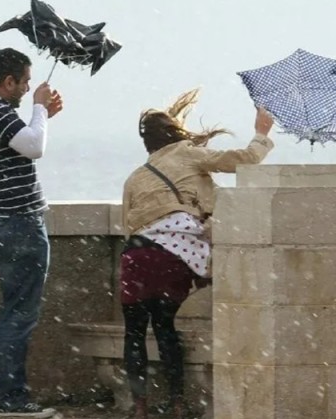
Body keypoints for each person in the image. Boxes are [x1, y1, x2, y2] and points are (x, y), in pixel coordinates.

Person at [120, 89, 275, 419]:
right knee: (164, 327)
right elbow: (243, 161)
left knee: (134, 332)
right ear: (175, 134)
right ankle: (176, 404)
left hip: (136, 256)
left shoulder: (136, 177)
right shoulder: (187, 154)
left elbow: (127, 226)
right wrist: (261, 134)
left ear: (148, 144)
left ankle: (140, 407)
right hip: (173, 256)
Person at [0, 47, 63, 417]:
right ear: (8, 82)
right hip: (18, 223)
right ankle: (10, 399)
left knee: (13, 309)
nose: (28, 87)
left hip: (1, 223)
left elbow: (26, 141)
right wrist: (38, 108)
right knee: (22, 313)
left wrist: (43, 114)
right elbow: (35, 147)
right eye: (25, 82)